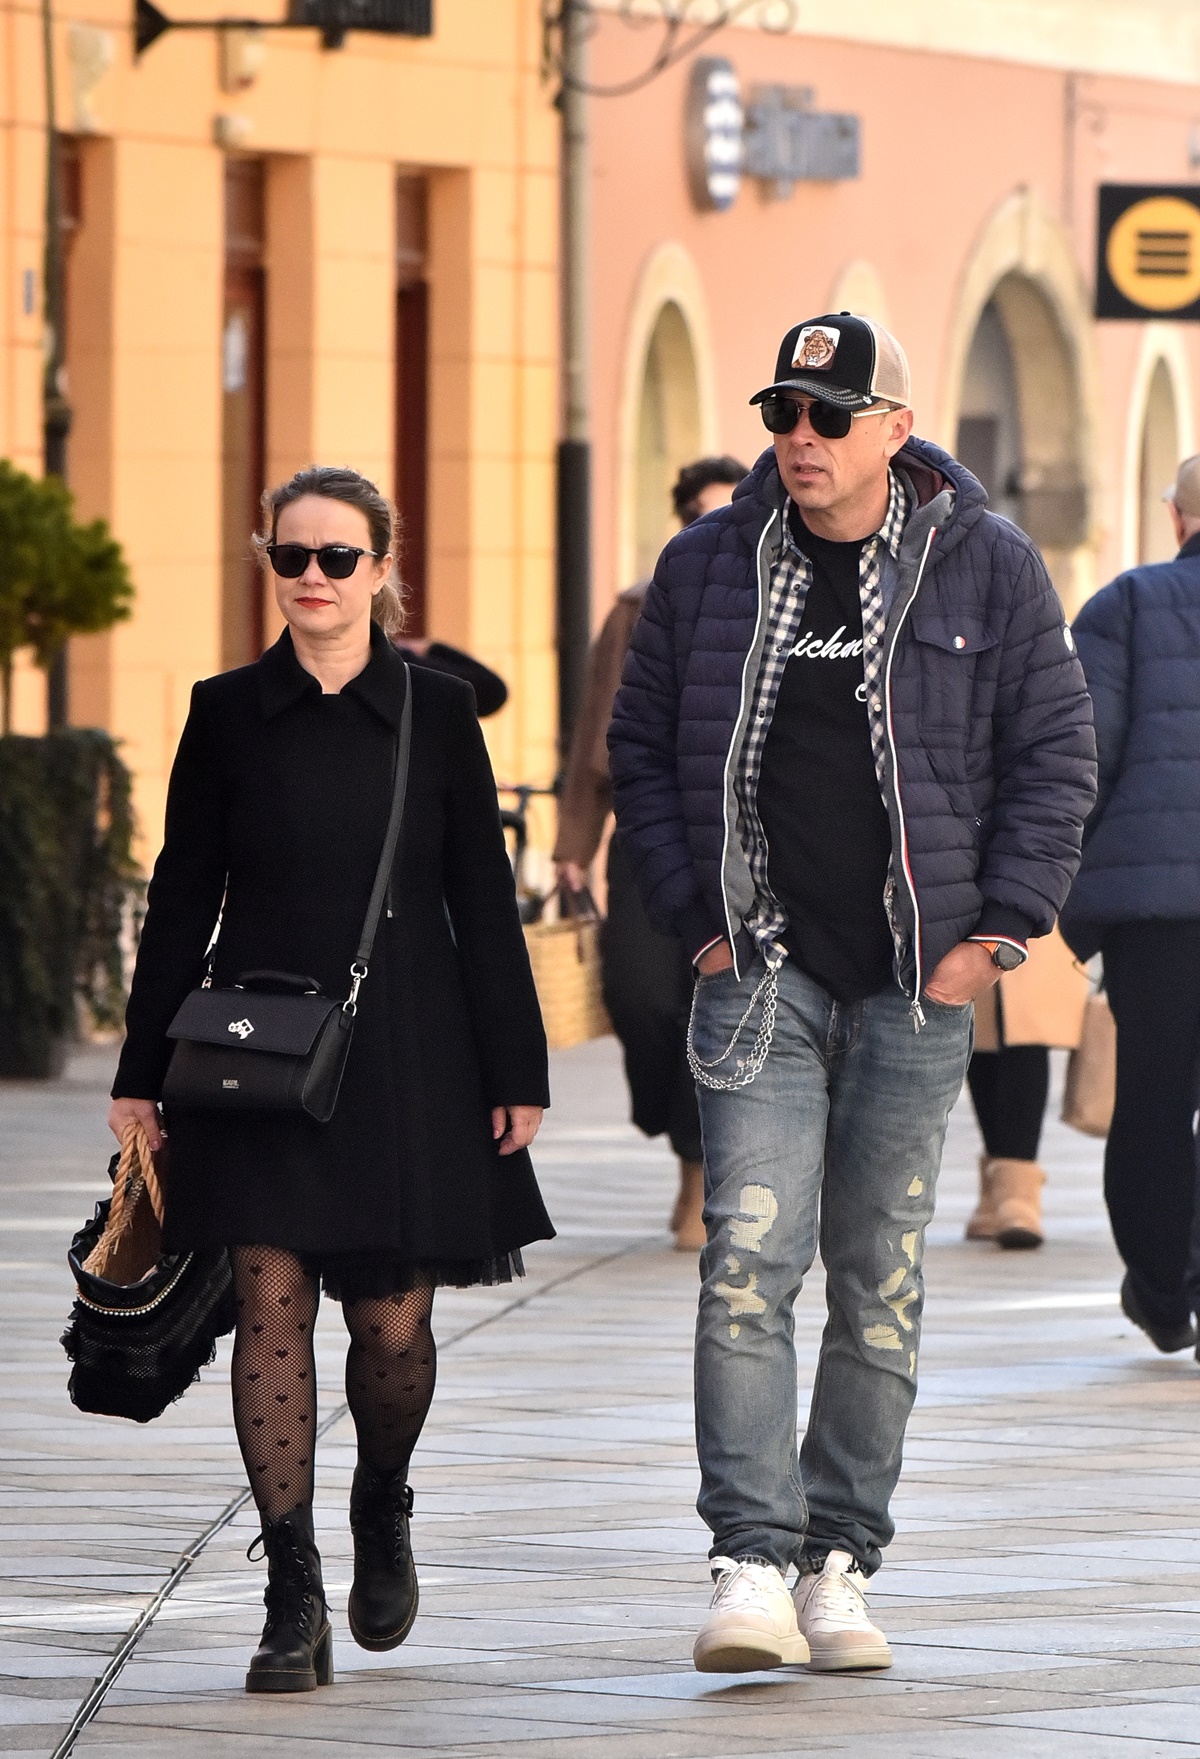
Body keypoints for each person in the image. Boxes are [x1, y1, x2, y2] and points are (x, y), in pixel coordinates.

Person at [609, 312, 1096, 1674]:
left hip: (914, 984)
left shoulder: (985, 560)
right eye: (783, 412)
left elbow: (1056, 751)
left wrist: (993, 934)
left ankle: (840, 1560)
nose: (802, 438)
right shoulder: (709, 564)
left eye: (831, 415)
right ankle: (751, 1561)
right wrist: (696, 920)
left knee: (880, 1275)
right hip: (759, 971)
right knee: (746, 1264)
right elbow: (640, 746)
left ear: (896, 427)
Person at [108, 465, 553, 1694]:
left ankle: (381, 1497)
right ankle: (291, 1586)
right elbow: (181, 894)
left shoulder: (436, 711)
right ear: (270, 564)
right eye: (290, 556)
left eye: (337, 556)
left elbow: (482, 898)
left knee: (394, 1324)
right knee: (272, 1303)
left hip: (406, 1047)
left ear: (381, 569)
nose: (312, 576)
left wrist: (516, 1066)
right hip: (252, 1055)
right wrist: (140, 1071)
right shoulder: (224, 712)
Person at [555, 456, 749, 1249]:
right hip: (646, 834)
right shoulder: (637, 609)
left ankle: (700, 1169)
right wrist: (573, 844)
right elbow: (593, 733)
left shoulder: (773, 600)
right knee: (639, 995)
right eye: (699, 513)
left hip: (741, 842)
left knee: (716, 1000)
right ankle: (677, 1129)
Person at [1061, 452, 1200, 1356]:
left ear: (1178, 517)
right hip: (1156, 897)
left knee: (1153, 1095)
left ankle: (1161, 1286)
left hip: (1157, 911)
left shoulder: (1129, 605)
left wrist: (1072, 896)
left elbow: (1084, 760)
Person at [964, 924, 1088, 1249]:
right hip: (969, 903)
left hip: (1045, 907)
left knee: (1028, 1024)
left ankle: (1018, 1195)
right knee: (978, 1026)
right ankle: (997, 1191)